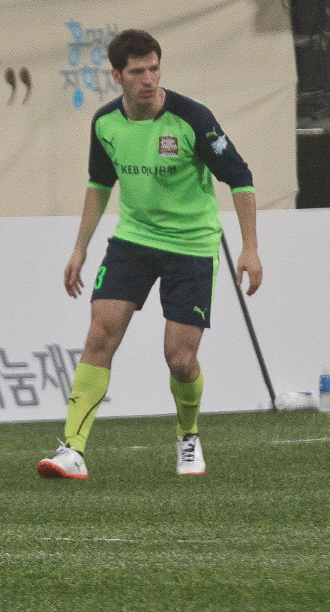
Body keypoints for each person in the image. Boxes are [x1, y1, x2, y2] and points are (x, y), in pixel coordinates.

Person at [40, 28, 261, 481]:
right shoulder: (105, 124)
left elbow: (240, 178)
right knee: (100, 335)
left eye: (154, 68)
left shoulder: (192, 118)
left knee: (180, 359)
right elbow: (100, 185)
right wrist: (78, 249)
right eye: (137, 71)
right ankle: (73, 450)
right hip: (133, 242)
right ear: (117, 75)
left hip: (191, 247)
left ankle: (188, 436)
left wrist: (251, 248)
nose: (148, 79)